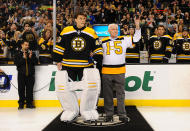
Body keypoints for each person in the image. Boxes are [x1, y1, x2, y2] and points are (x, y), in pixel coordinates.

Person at [53, 12, 103, 122]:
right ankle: (71, 111)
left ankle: (88, 110)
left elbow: (97, 47)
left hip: (85, 66)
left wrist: (97, 58)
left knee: (90, 89)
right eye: (80, 18)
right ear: (75, 19)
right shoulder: (66, 30)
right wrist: (57, 60)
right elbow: (60, 45)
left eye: (84, 19)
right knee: (66, 90)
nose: (83, 20)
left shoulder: (91, 31)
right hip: (68, 65)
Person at [101, 20, 141, 122]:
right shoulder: (102, 41)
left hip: (120, 70)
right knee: (107, 94)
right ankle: (109, 115)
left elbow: (136, 38)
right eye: (112, 29)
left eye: (116, 29)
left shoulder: (125, 39)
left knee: (120, 94)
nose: (115, 31)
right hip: (106, 71)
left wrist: (137, 25)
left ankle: (122, 115)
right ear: (109, 31)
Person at [14, 41, 38, 109]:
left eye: (28, 45)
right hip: (21, 75)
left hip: (30, 75)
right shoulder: (17, 53)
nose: (27, 46)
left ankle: (29, 104)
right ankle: (21, 104)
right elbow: (17, 63)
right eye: (26, 45)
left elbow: (36, 62)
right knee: (21, 90)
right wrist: (23, 58)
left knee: (29, 90)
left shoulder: (31, 53)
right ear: (22, 45)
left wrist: (31, 58)